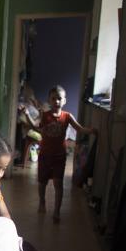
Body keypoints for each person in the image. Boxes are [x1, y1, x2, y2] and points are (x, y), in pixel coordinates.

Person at [34, 85, 96, 222]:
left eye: (59, 99)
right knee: (42, 182)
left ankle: (56, 211)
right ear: (49, 101)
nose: (56, 101)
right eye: (53, 98)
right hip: (45, 154)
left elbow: (79, 129)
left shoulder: (67, 116)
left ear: (64, 101)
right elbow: (37, 128)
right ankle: (42, 202)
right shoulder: (45, 116)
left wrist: (91, 131)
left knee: (58, 183)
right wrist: (29, 115)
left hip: (59, 156)